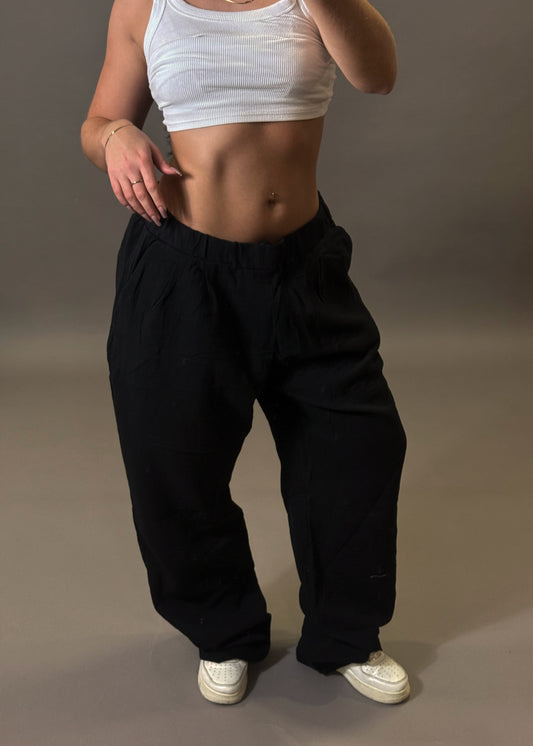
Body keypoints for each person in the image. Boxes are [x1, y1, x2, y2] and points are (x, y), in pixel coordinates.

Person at [81, 0, 410, 706]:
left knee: (357, 449)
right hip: (181, 269)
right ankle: (221, 628)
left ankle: (347, 634)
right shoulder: (145, 5)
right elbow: (98, 120)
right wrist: (114, 137)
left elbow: (377, 76)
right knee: (173, 460)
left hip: (303, 266)